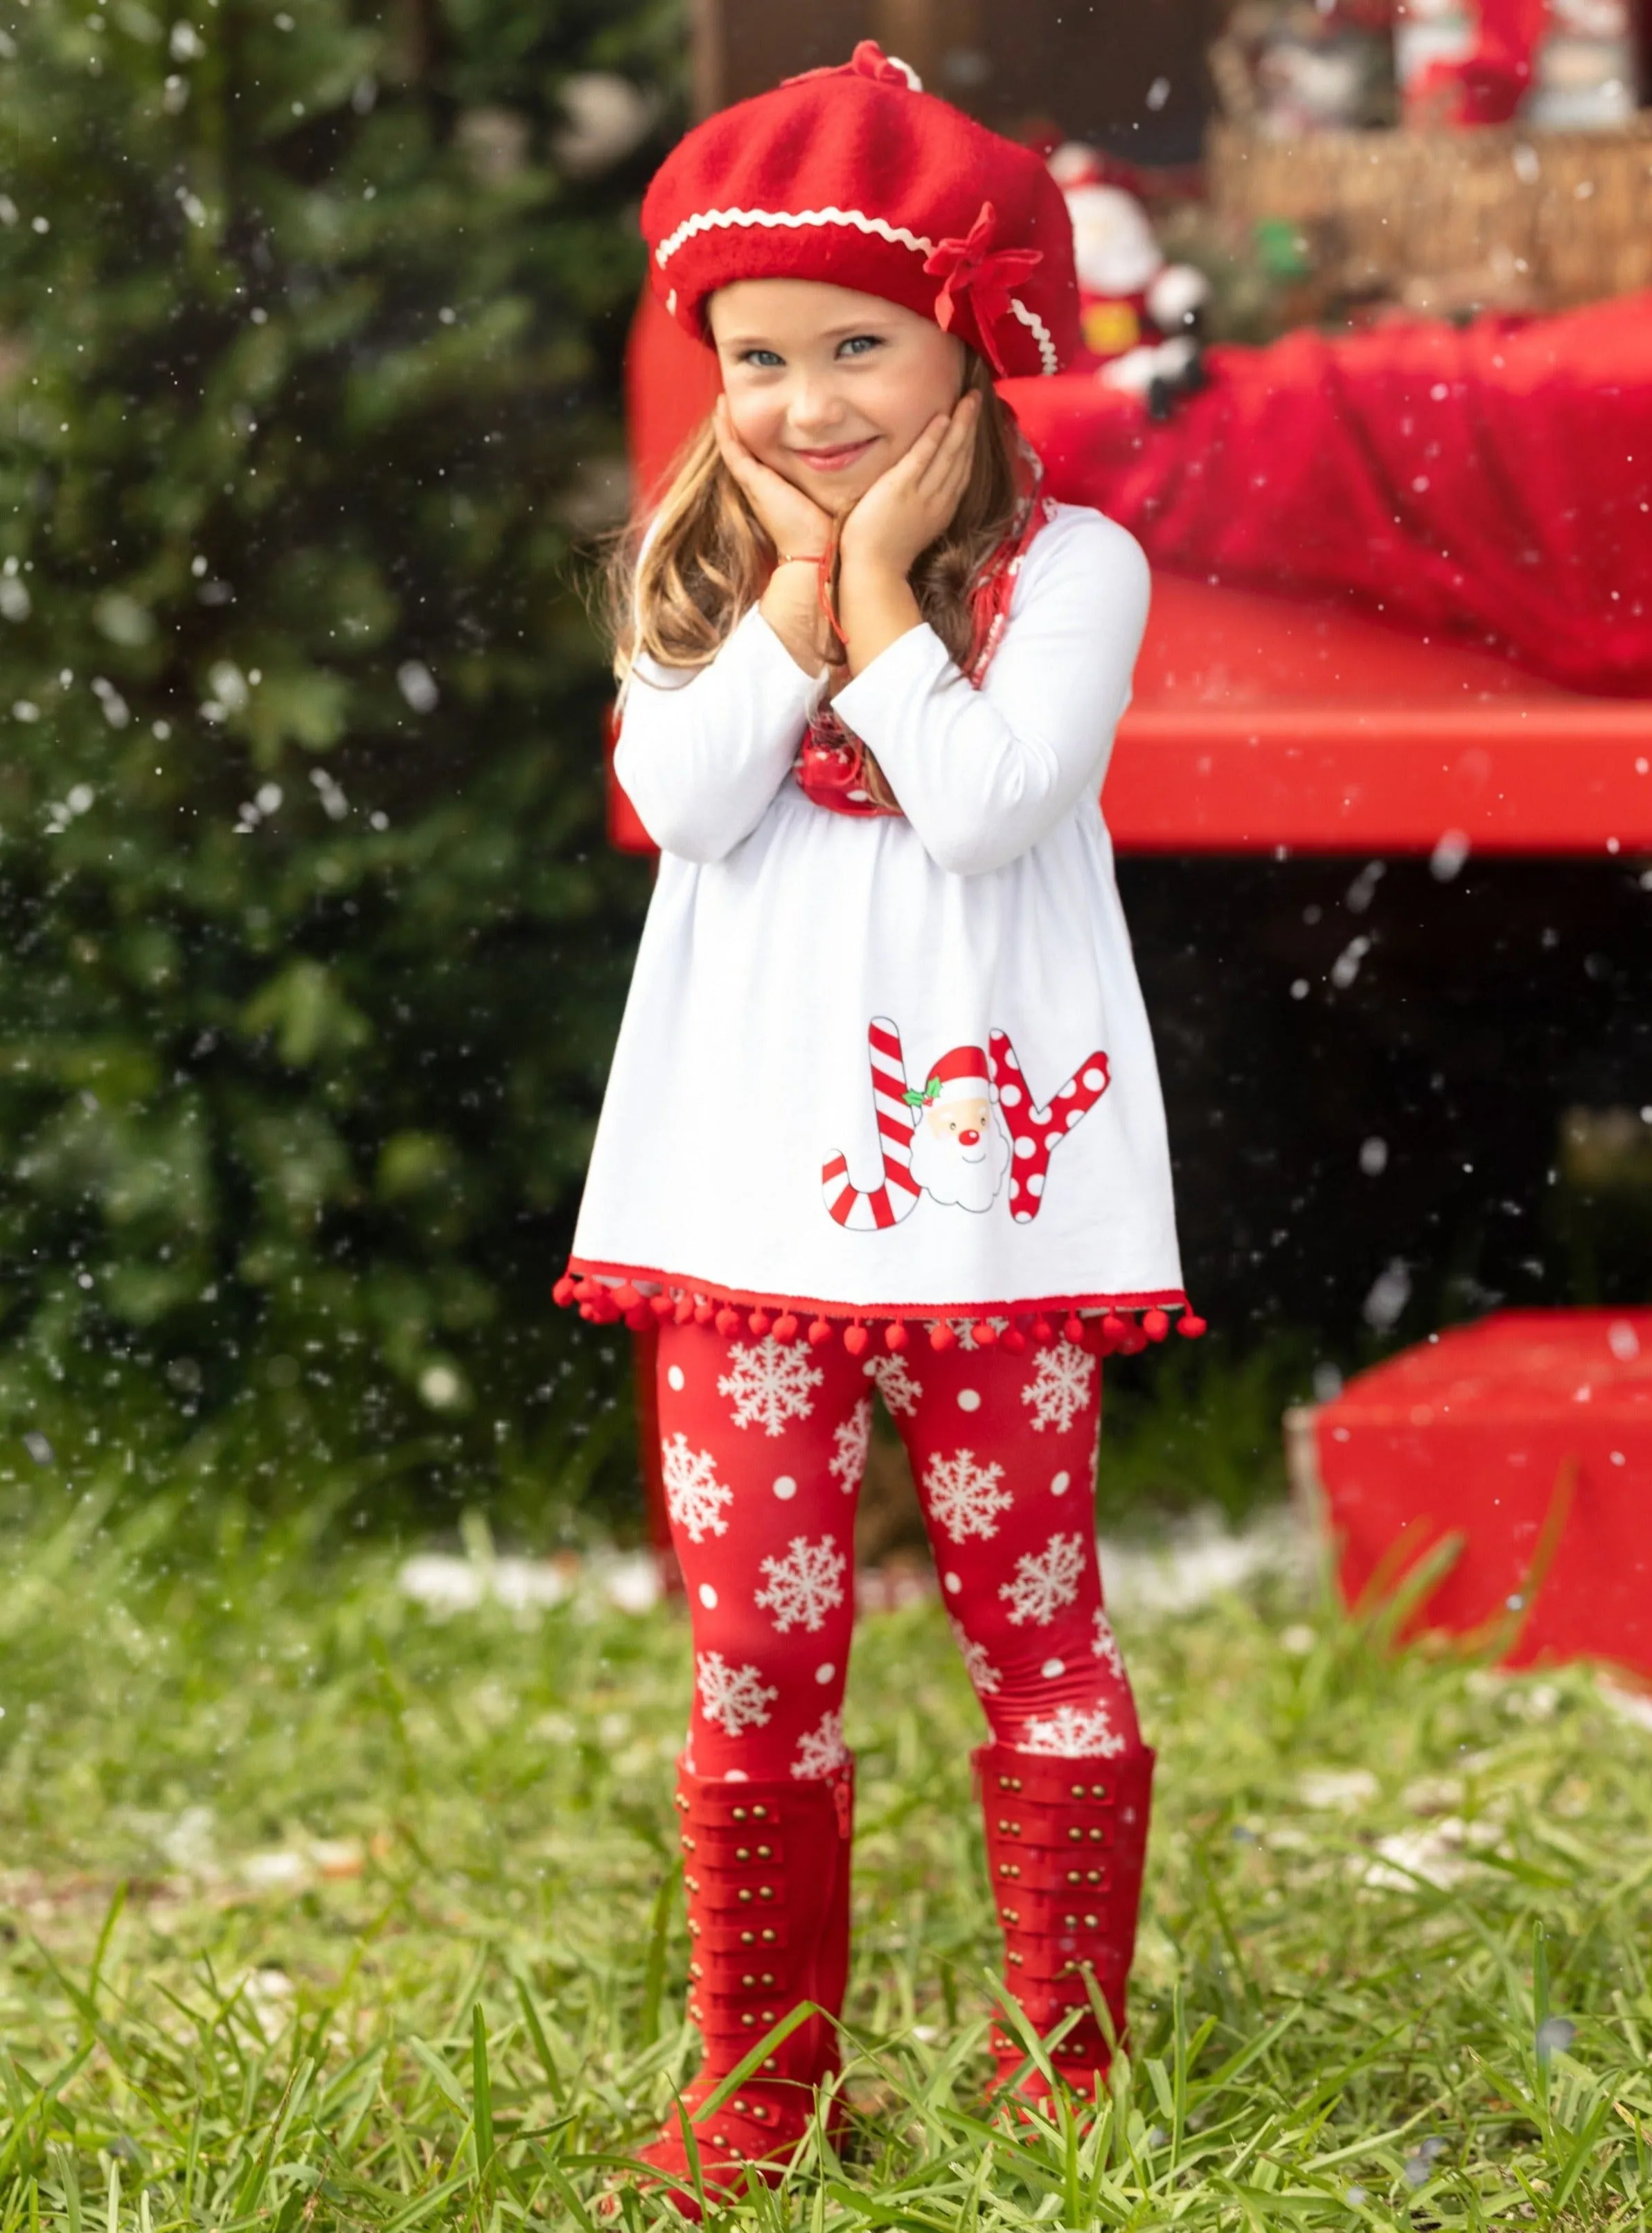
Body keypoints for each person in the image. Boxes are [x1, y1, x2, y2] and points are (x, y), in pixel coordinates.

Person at [554, 41, 1198, 2212]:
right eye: (759, 356)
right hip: (745, 1220)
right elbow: (687, 801)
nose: (809, 402)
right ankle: (771, 2079)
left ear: (971, 347)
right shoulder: (689, 586)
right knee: (758, 1643)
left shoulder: (1076, 572)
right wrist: (802, 597)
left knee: (1038, 1619)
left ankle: (1063, 2067)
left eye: (859, 346)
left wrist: (897, 601)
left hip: (991, 1215)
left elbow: (993, 803)